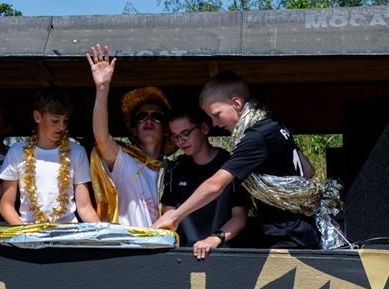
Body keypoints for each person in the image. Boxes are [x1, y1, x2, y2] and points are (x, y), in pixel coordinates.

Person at [154, 72, 322, 249]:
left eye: (217, 115)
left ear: (236, 103)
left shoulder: (254, 138)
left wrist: (175, 216)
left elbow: (215, 185)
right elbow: (308, 170)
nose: (215, 123)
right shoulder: (273, 125)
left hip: (287, 233)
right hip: (302, 226)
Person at [87, 44, 171, 227]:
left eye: (157, 116)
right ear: (133, 130)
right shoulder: (125, 161)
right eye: (142, 117)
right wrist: (102, 88)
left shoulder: (172, 170)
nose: (149, 120)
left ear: (166, 129)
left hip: (165, 251)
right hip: (127, 248)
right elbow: (101, 138)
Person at [0, 87, 98, 225]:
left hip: (67, 235)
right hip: (29, 235)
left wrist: (101, 233)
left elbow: (85, 207)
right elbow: (6, 206)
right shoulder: (17, 151)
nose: (62, 127)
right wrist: (25, 233)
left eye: (65, 120)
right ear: (37, 117)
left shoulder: (77, 152)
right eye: (55, 120)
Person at [160, 107, 248, 259]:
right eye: (176, 137)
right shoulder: (175, 168)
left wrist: (214, 239)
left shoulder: (230, 164)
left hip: (223, 254)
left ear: (204, 128)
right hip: (184, 255)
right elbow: (169, 213)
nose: (181, 141)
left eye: (185, 133)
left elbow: (239, 217)